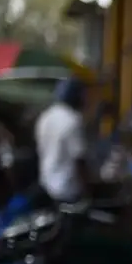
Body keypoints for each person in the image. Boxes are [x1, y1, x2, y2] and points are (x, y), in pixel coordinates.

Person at [34, 77, 89, 205]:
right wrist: (88, 192)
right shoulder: (73, 120)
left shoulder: (45, 117)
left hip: (47, 184)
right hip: (67, 190)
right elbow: (79, 160)